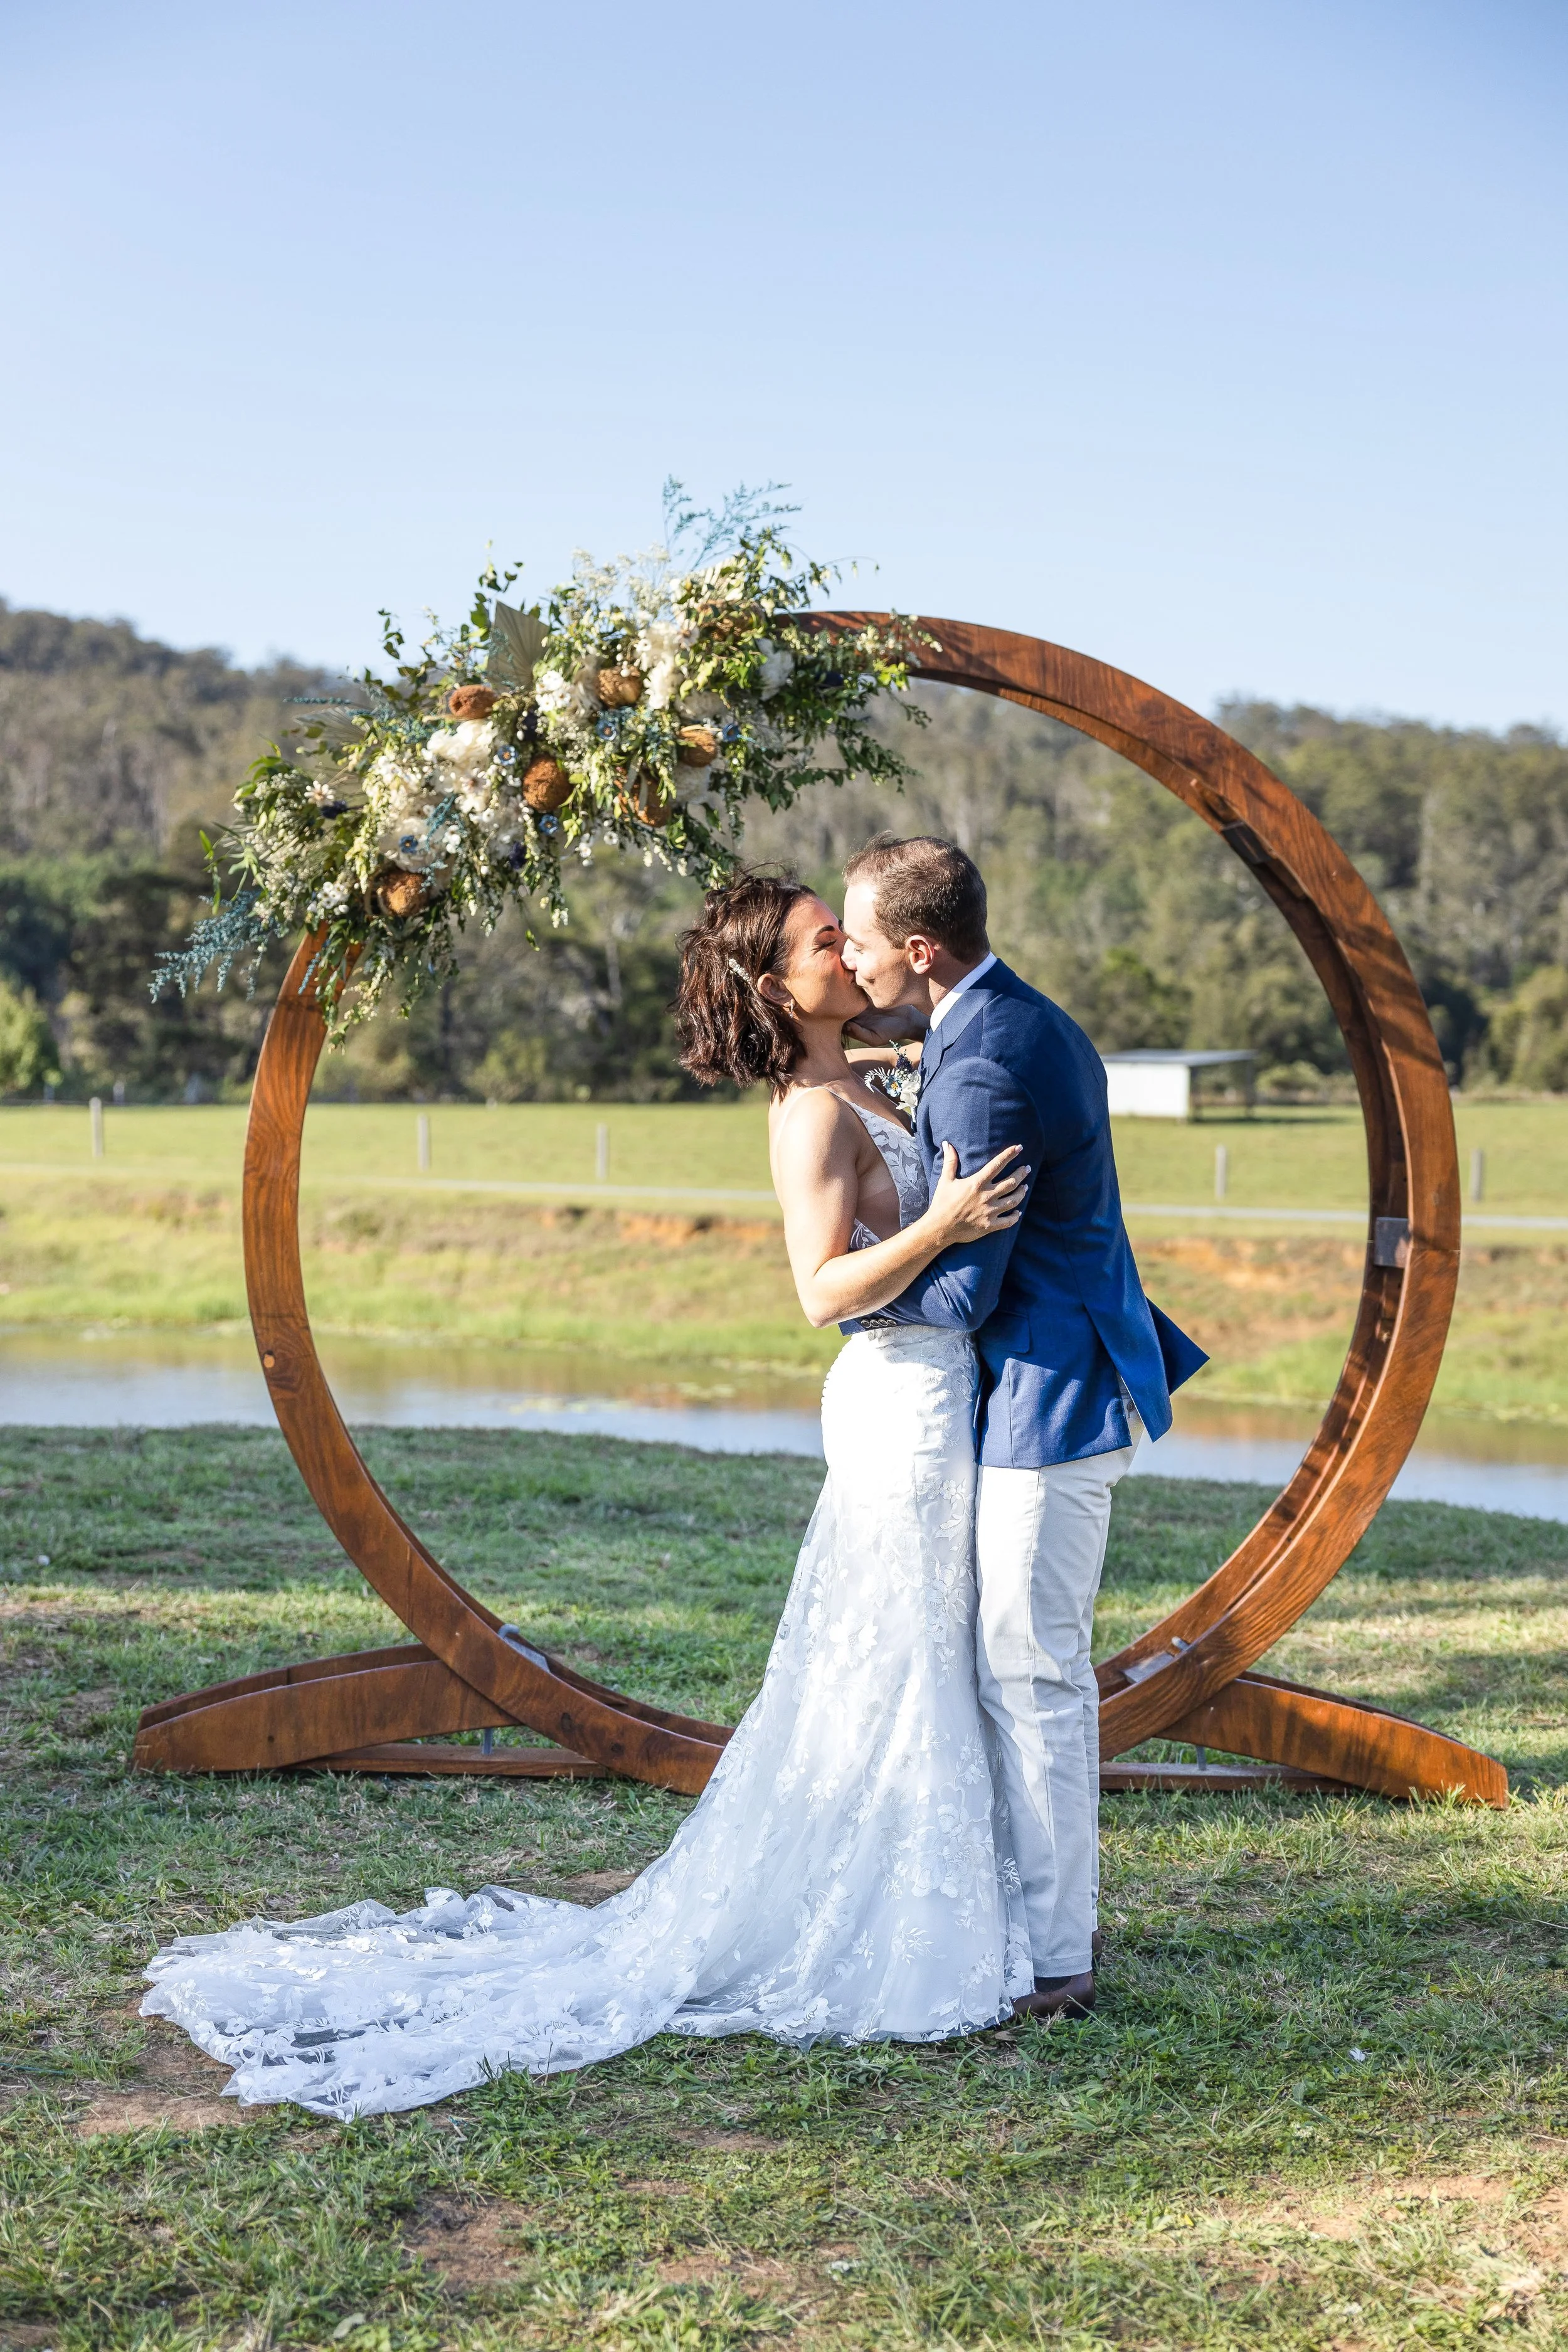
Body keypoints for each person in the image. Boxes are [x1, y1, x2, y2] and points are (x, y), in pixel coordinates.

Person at [140, 872, 1034, 2118]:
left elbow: (948, 1023)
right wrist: (939, 1224)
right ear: (778, 985)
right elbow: (820, 1291)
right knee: (894, 1645)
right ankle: (894, 1925)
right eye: (825, 942)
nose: (848, 950)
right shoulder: (807, 1116)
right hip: (892, 1397)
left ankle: (916, 1901)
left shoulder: (858, 1072)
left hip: (934, 1397)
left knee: (905, 1653)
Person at [839, 834, 1207, 2021]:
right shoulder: (999, 1018)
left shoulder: (983, 1064)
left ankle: (1058, 1958)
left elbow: (963, 1292)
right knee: (1010, 1662)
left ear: (919, 948)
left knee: (1033, 1669)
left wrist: (848, 1295)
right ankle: (1021, 1920)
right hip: (1045, 1381)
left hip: (1051, 1395)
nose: (848, 960)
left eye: (858, 940)